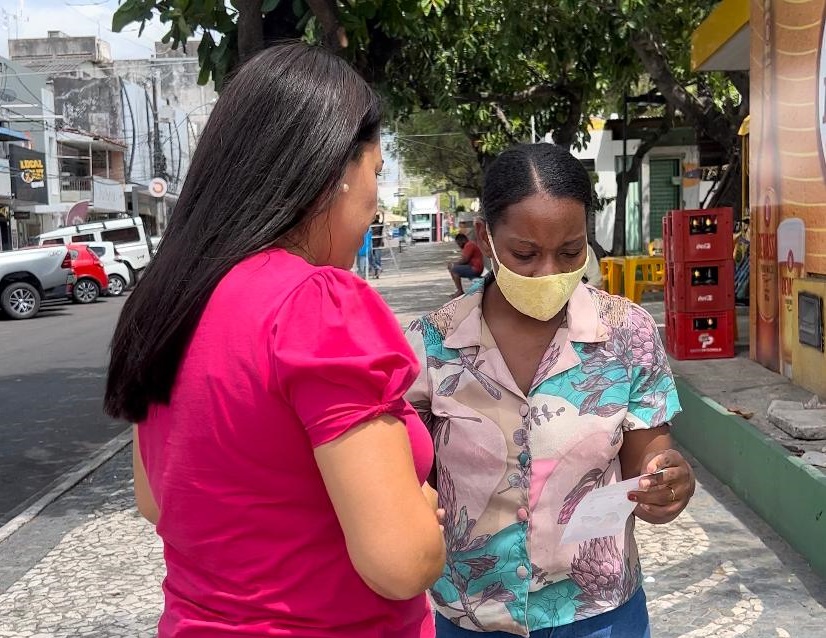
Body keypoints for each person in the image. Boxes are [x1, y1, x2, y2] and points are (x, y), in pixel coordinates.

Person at [105, 43, 445, 638]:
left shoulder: (168, 301)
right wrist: (422, 512)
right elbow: (403, 562)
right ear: (337, 172)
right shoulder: (319, 307)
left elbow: (157, 500)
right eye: (375, 171)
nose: (376, 200)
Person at [405, 144, 694, 638]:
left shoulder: (627, 334)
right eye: (525, 254)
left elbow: (651, 468)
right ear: (485, 239)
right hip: (471, 617)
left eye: (569, 252)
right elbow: (408, 481)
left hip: (598, 616)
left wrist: (667, 486)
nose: (548, 273)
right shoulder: (430, 346)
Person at [370, 214, 385, 278]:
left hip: (377, 244)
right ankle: (376, 271)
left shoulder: (379, 225)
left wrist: (383, 214)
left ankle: (377, 273)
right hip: (373, 243)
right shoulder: (370, 225)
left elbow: (383, 222)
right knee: (373, 259)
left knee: (376, 259)